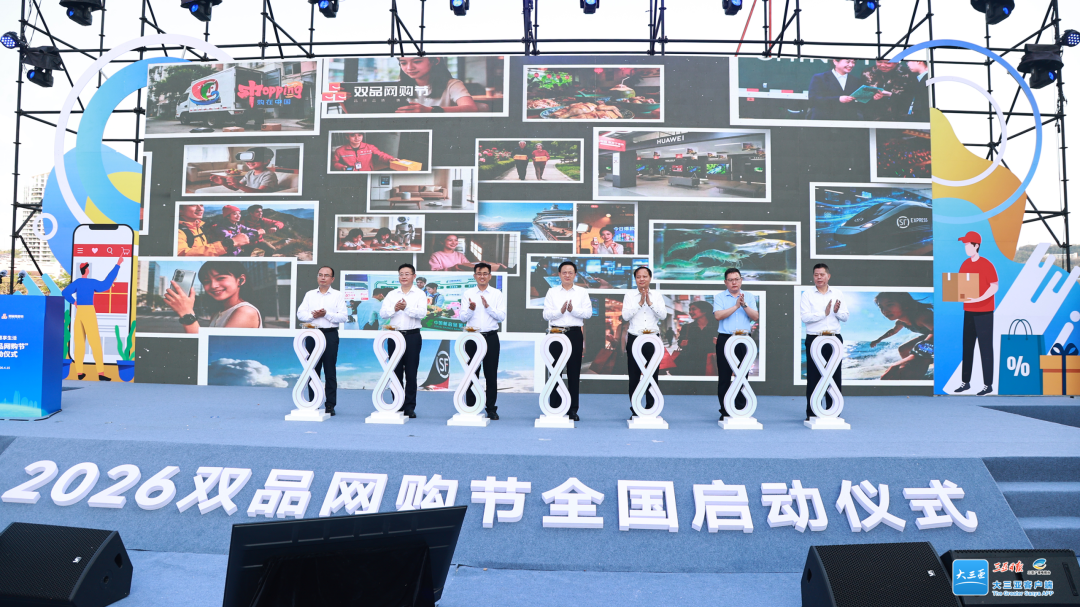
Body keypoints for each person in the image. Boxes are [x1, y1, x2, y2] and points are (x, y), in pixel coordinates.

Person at [542, 261, 593, 422]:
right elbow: (546, 315)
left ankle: (572, 409)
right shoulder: (552, 292)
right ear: (559, 274)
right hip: (556, 334)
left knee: (574, 372)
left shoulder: (582, 292)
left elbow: (588, 313)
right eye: (564, 272)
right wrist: (561, 311)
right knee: (555, 372)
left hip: (574, 334)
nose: (567, 275)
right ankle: (555, 407)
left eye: (570, 272)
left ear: (575, 275)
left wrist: (573, 310)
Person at [296, 266, 348, 416]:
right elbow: (300, 314)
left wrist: (326, 314)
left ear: (332, 279)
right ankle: (313, 402)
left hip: (330, 334)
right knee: (312, 369)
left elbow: (343, 317)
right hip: (312, 334)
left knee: (330, 370)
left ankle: (330, 405)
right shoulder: (309, 294)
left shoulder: (338, 295)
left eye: (326, 275)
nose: (323, 278)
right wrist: (313, 316)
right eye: (320, 275)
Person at [62, 256, 123, 381]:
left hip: (79, 312)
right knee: (95, 343)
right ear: (87, 270)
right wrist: (117, 265)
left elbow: (65, 293)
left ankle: (79, 372)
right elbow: (105, 285)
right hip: (89, 311)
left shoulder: (77, 282)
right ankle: (100, 373)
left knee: (79, 343)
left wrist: (74, 302)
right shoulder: (91, 282)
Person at [800, 263, 848, 420]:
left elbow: (845, 317)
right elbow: (805, 317)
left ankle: (833, 411)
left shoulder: (838, 293)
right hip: (815, 338)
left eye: (822, 275)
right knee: (814, 376)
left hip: (834, 338)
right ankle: (812, 412)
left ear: (828, 276)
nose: (819, 277)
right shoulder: (807, 294)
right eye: (816, 275)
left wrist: (836, 312)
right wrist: (824, 313)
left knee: (834, 375)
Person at [379, 263, 427, 418]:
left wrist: (406, 308)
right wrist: (395, 309)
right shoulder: (392, 294)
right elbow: (383, 314)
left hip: (413, 336)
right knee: (395, 371)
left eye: (407, 274)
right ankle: (397, 404)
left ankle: (409, 407)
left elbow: (422, 314)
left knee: (411, 372)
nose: (404, 276)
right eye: (401, 274)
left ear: (414, 276)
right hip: (395, 336)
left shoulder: (420, 294)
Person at [460, 263, 506, 420]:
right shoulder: (468, 293)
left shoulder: (496, 294)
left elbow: (501, 316)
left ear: (490, 276)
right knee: (472, 373)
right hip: (472, 338)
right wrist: (471, 309)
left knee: (491, 374)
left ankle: (491, 409)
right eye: (479, 273)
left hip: (491, 337)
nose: (482, 276)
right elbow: (462, 318)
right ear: (474, 276)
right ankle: (471, 407)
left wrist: (488, 307)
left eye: (485, 273)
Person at [164, 261, 263, 334]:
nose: (213, 286)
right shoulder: (218, 312)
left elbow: (211, 348)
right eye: (207, 281)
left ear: (241, 280)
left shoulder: (245, 312)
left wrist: (186, 314)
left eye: (220, 278)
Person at [955, 231, 998, 395]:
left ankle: (988, 385)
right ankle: (965, 382)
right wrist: (956, 293)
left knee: (985, 348)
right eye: (965, 245)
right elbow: (961, 286)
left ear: (976, 246)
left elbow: (994, 286)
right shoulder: (965, 264)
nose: (966, 247)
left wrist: (979, 299)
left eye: (968, 244)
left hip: (984, 312)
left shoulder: (987, 264)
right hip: (968, 311)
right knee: (967, 347)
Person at [714, 268, 760, 421]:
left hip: (744, 340)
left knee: (742, 375)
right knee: (724, 376)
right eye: (731, 280)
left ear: (741, 280)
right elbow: (718, 316)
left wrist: (744, 305)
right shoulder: (720, 297)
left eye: (737, 279)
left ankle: (740, 408)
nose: (734, 282)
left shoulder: (749, 296)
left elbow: (755, 316)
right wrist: (735, 306)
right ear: (725, 282)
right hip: (726, 338)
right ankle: (725, 410)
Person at [621, 266, 667, 418]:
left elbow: (663, 315)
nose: (642, 279)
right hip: (635, 337)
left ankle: (651, 408)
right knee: (634, 375)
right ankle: (635, 410)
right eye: (638, 277)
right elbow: (625, 316)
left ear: (650, 278)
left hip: (653, 339)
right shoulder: (629, 295)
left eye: (645, 276)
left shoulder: (657, 295)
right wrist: (640, 303)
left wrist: (650, 303)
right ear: (635, 279)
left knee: (652, 374)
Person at [870, 292, 934, 381]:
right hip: (931, 337)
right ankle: (912, 369)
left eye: (889, 304)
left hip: (947, 338)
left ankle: (918, 364)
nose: (884, 311)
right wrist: (878, 340)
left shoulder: (921, 316)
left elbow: (940, 332)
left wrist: (917, 356)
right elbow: (893, 331)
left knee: (914, 353)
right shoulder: (901, 322)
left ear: (905, 304)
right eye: (881, 307)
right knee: (903, 349)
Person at [394, 56, 479, 113]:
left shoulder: (451, 84)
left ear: (435, 60)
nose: (409, 68)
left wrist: (430, 110)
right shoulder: (398, 87)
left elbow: (471, 108)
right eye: (403, 63)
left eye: (417, 61)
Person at [674, 300, 715, 376]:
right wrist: (681, 343)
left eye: (693, 309)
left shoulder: (716, 326)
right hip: (690, 364)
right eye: (690, 309)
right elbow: (680, 343)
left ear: (704, 311)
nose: (690, 312)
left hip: (710, 362)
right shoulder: (687, 327)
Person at [427, 234, 506, 272]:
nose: (454, 242)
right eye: (450, 240)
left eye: (456, 240)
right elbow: (433, 272)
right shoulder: (435, 255)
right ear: (442, 242)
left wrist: (490, 264)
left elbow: (469, 266)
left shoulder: (460, 255)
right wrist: (451, 269)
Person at [331, 132, 399, 172]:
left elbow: (381, 155)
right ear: (347, 137)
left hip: (367, 173)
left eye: (359, 135)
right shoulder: (340, 150)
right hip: (350, 175)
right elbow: (335, 163)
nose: (357, 138)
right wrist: (341, 167)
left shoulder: (370, 147)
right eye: (352, 135)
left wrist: (390, 159)